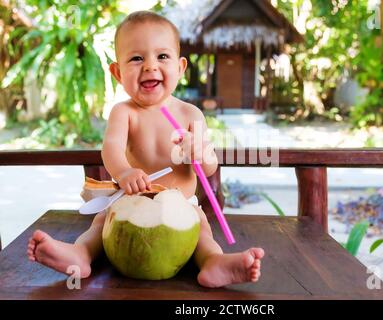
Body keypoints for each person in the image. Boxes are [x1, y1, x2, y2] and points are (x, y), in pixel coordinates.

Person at [27, 10, 264, 288]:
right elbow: (111, 149)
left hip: (180, 207)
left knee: (201, 227)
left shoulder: (190, 114)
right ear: (117, 72)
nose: (150, 66)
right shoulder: (124, 112)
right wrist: (124, 171)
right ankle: (80, 254)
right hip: (130, 202)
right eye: (137, 58)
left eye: (162, 56)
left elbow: (209, 166)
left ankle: (214, 262)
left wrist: (200, 152)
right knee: (101, 223)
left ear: (180, 67)